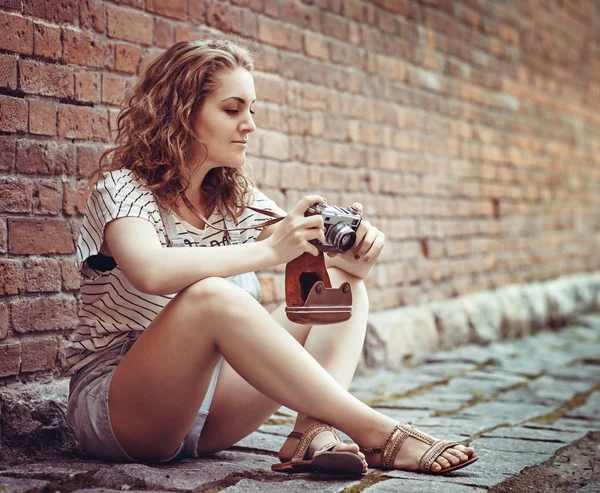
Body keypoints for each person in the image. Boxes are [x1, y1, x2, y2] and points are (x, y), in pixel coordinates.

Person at [64, 39, 478, 475]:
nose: (249, 125)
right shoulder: (123, 190)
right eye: (232, 109)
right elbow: (150, 272)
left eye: (252, 110)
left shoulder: (232, 199)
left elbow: (311, 251)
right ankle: (375, 431)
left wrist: (356, 252)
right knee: (212, 297)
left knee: (341, 285)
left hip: (207, 415)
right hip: (123, 411)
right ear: (182, 113)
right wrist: (267, 250)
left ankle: (312, 432)